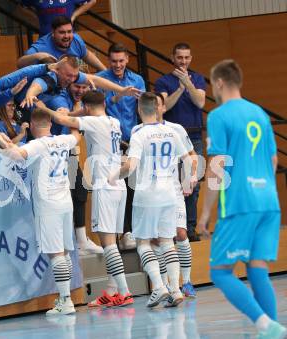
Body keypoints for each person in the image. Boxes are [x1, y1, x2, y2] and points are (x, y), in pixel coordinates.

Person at [197, 59, 285, 338]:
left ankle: (263, 324)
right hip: (269, 203)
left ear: (220, 83)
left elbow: (218, 165)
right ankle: (270, 331)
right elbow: (273, 159)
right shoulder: (259, 113)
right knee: (257, 269)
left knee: (220, 272)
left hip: (240, 204)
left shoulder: (219, 116)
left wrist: (205, 213)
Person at [35, 91, 134, 307]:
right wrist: (71, 111)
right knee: (113, 243)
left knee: (107, 244)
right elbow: (77, 115)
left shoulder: (92, 122)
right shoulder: (114, 121)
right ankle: (112, 291)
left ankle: (125, 292)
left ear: (87, 108)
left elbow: (62, 120)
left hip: (104, 185)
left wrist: (43, 107)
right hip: (119, 184)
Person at [109, 92, 194, 308]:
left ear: (139, 109)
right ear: (157, 109)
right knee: (167, 241)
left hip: (147, 195)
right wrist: (188, 180)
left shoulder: (139, 134)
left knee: (143, 242)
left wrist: (114, 176)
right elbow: (189, 159)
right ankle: (175, 290)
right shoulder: (171, 131)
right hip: (169, 194)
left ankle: (158, 287)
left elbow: (131, 166)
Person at [4, 108, 81, 315]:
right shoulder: (64, 140)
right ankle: (67, 299)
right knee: (64, 253)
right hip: (65, 202)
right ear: (51, 123)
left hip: (48, 204)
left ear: (33, 124)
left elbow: (15, 155)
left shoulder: (37, 144)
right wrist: (69, 116)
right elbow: (77, 134)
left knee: (55, 253)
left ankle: (66, 301)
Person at [45, 79, 103, 255]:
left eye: (84, 87)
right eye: (77, 86)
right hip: (51, 153)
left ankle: (81, 240)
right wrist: (77, 108)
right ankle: (65, 242)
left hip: (67, 150)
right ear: (68, 84)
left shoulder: (81, 102)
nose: (80, 90)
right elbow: (64, 115)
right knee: (61, 198)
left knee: (79, 191)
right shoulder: (60, 98)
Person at [96, 42, 146, 250]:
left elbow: (143, 108)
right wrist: (118, 95)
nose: (117, 65)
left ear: (127, 60)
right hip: (110, 144)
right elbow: (98, 107)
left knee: (134, 188)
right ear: (109, 61)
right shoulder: (101, 78)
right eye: (114, 61)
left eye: (121, 61)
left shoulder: (137, 79)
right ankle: (119, 234)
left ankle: (131, 232)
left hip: (132, 141)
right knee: (116, 189)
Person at [155, 42, 206, 242]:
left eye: (186, 58)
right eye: (179, 58)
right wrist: (179, 88)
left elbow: (200, 102)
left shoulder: (199, 78)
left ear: (191, 58)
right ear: (172, 58)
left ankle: (190, 228)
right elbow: (164, 106)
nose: (183, 61)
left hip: (193, 137)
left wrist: (189, 84)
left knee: (193, 183)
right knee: (172, 184)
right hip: (171, 138)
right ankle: (176, 228)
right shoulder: (163, 82)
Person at [151, 92, 198, 298]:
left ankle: (186, 281)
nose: (155, 109)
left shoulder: (175, 129)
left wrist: (190, 177)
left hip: (174, 191)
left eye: (158, 106)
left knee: (180, 233)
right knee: (157, 238)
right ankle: (167, 285)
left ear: (163, 108)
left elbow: (192, 156)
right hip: (151, 193)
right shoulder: (140, 131)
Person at [17, 16, 105, 71]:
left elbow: (86, 55)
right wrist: (38, 56)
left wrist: (105, 71)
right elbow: (20, 63)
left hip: (71, 81)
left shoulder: (76, 39)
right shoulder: (42, 46)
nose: (67, 36)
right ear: (53, 33)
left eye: (69, 31)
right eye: (62, 32)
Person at [19, 0, 97, 36]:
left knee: (70, 66)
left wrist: (74, 15)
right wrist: (35, 17)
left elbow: (92, 1)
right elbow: (22, 7)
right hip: (45, 37)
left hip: (67, 38)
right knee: (48, 66)